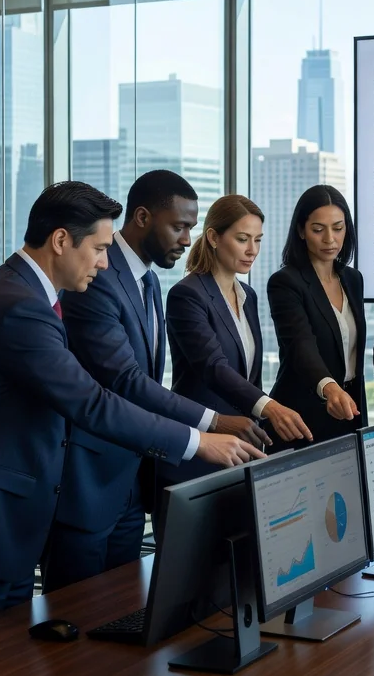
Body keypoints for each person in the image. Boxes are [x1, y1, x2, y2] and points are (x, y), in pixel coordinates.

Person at [0, 181, 263, 636]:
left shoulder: (25, 295)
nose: (105, 262)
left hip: (4, 528)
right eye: (99, 248)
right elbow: (92, 401)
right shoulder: (16, 307)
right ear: (61, 241)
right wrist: (197, 441)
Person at [44, 172, 270, 593]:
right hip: (89, 484)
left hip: (132, 481)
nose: (187, 239)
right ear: (143, 217)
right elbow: (126, 381)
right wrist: (213, 422)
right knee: (76, 622)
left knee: (125, 615)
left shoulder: (146, 282)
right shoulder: (98, 281)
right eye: (179, 226)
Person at [166, 194, 313, 478]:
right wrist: (270, 407)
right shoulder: (187, 295)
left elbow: (249, 377)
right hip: (200, 445)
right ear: (213, 237)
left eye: (258, 240)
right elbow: (214, 367)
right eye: (243, 239)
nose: (252, 250)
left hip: (241, 448)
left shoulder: (249, 296)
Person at [266, 186, 367, 450]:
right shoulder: (286, 282)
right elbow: (301, 347)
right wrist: (330, 388)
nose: (330, 239)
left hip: (350, 413)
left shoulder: (353, 279)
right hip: (303, 416)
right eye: (318, 229)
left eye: (338, 227)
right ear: (301, 231)